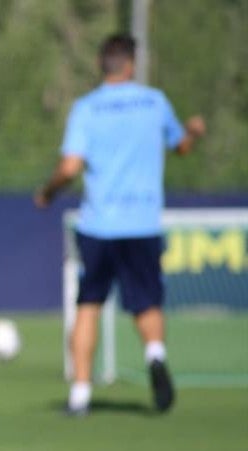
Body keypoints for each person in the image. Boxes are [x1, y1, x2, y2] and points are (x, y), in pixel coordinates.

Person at [35, 33, 204, 417]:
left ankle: (80, 393)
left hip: (99, 225)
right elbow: (181, 147)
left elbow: (70, 167)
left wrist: (47, 192)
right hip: (143, 221)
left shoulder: (87, 108)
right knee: (146, 302)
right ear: (131, 65)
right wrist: (193, 131)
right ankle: (155, 355)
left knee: (89, 305)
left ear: (101, 65)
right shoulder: (155, 102)